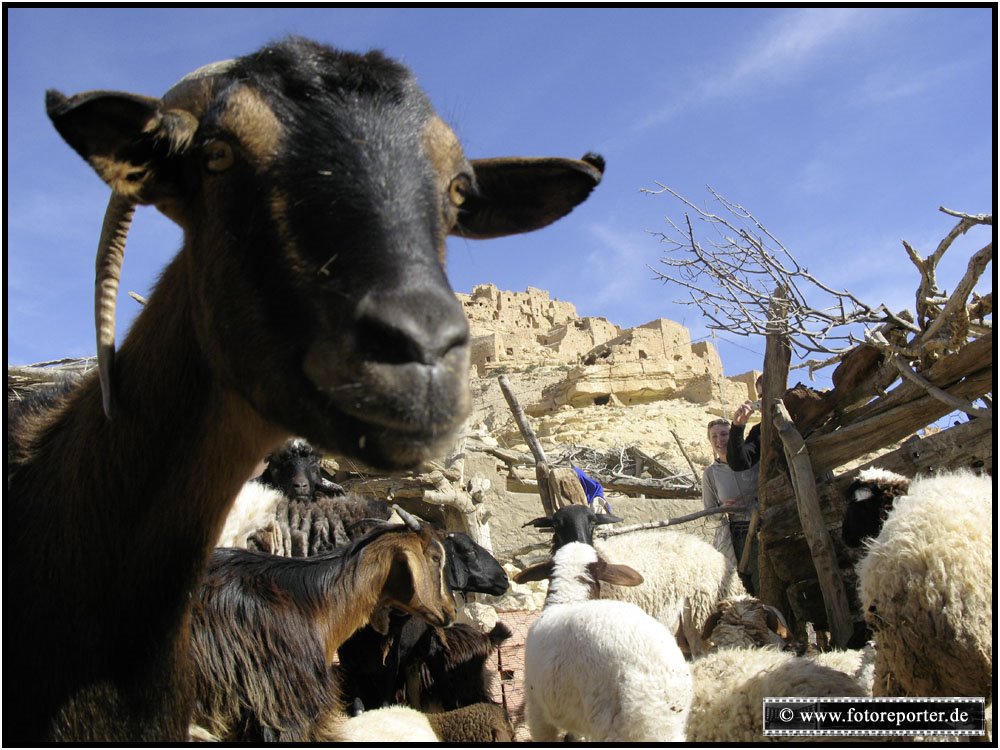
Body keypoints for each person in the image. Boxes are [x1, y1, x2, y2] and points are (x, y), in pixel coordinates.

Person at [701, 419, 759, 578]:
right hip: (735, 538)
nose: (719, 440)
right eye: (714, 436)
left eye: (725, 434)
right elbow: (709, 513)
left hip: (763, 529)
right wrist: (723, 508)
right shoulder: (710, 474)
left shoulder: (753, 462)